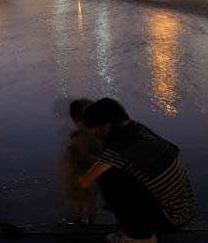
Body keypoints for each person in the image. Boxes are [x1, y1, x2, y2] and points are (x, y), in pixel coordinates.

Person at [78, 98, 196, 243]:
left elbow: (84, 182)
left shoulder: (117, 149)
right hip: (184, 208)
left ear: (106, 127)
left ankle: (139, 236)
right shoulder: (138, 129)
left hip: (170, 219)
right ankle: (145, 229)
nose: (93, 135)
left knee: (107, 177)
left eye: (93, 130)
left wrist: (74, 159)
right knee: (123, 173)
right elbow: (174, 149)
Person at [59, 99, 100, 225]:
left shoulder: (77, 136)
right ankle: (91, 223)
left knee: (76, 200)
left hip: (77, 175)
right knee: (89, 200)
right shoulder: (95, 135)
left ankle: (77, 223)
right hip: (91, 175)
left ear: (75, 120)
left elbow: (72, 156)